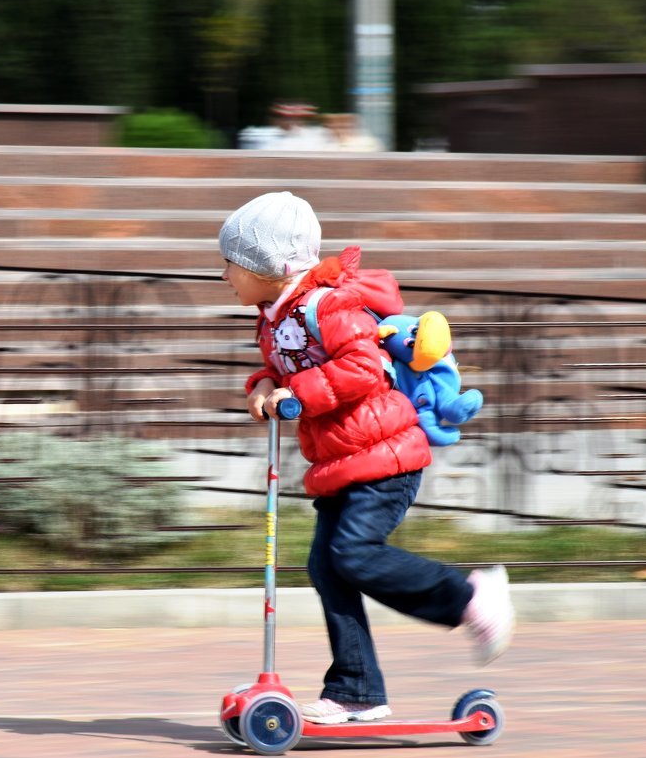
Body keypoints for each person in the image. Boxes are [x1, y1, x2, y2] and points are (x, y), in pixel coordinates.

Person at [218, 191, 514, 725]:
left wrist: (299, 395)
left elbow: (361, 370)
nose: (224, 275)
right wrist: (264, 385)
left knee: (352, 554)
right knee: (327, 567)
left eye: (231, 264)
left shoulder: (329, 306)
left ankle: (470, 595)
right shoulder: (275, 315)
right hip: (340, 460)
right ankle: (357, 690)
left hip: (385, 455)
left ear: (269, 267)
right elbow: (286, 372)